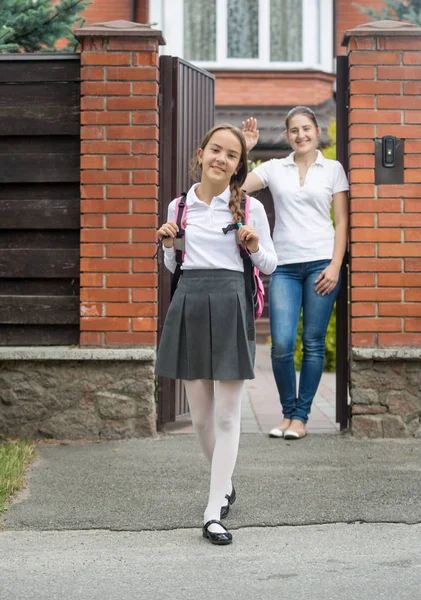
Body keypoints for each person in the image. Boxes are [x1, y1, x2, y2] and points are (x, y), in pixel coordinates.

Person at [155, 124, 277, 545]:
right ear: (201, 152)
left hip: (229, 304)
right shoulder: (179, 207)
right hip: (190, 301)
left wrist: (255, 244)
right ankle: (224, 484)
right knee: (202, 419)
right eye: (215, 150)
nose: (221, 159)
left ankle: (212, 512)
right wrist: (169, 245)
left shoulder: (249, 208)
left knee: (227, 415)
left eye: (231, 155)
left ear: (239, 166)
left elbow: (270, 265)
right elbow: (174, 268)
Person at [241, 107, 349, 440]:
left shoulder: (333, 169)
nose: (300, 135)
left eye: (306, 129)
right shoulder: (274, 168)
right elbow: (238, 187)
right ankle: (288, 414)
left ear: (317, 131)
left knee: (313, 343)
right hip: (285, 266)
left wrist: (335, 264)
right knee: (282, 345)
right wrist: (244, 149)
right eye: (293, 130)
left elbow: (342, 221)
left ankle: (301, 419)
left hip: (322, 265)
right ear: (287, 135)